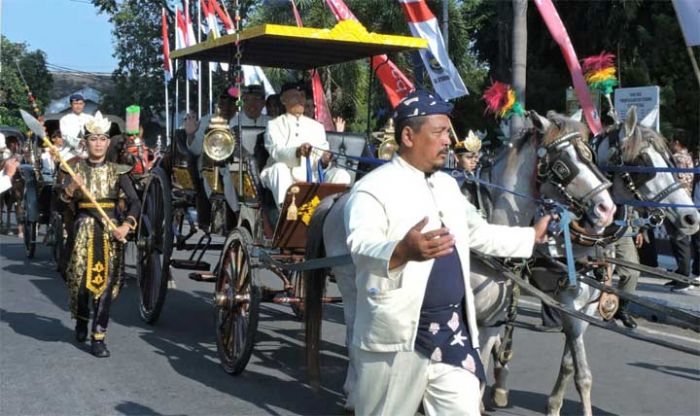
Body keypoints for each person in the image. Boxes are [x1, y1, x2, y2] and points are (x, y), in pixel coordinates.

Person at [344, 89, 552, 415]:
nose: (447, 141)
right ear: (409, 136)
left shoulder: (447, 186)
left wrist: (530, 238)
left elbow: (478, 233)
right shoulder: (372, 188)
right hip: (397, 338)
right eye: (439, 132)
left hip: (452, 334)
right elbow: (360, 245)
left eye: (448, 132)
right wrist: (401, 251)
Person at [59, 112, 140, 357]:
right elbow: (61, 200)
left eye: (102, 139)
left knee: (106, 286)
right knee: (82, 281)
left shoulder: (119, 171)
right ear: (86, 142)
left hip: (109, 231)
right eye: (93, 138)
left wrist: (126, 226)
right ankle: (82, 318)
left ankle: (98, 337)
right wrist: (70, 189)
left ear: (107, 142)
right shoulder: (75, 169)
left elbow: (135, 202)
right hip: (83, 230)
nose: (97, 143)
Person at [261, 81, 351, 206]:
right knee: (279, 169)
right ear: (283, 100)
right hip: (285, 176)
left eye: (302, 96)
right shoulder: (274, 125)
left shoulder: (317, 127)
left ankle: (329, 212)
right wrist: (297, 151)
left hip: (314, 177)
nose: (300, 100)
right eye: (295, 96)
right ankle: (288, 215)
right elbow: (276, 152)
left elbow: (322, 154)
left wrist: (325, 160)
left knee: (342, 175)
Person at [665, 136, 694, 291]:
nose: (669, 144)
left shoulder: (676, 158)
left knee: (679, 240)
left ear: (676, 142)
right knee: (679, 239)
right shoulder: (688, 157)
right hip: (685, 202)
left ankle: (683, 278)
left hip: (676, 204)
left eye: (671, 141)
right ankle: (680, 274)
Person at [454, 130, 484, 212]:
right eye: (469, 157)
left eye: (476, 157)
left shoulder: (481, 176)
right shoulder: (450, 180)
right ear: (457, 158)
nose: (474, 161)